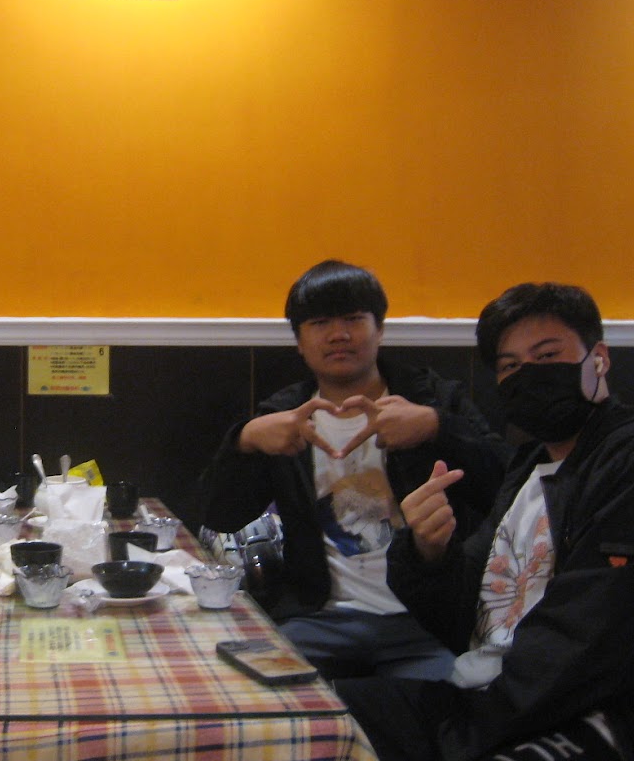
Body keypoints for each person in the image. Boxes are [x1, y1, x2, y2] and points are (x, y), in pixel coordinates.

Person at [336, 282, 634, 761]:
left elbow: (584, 646)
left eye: (547, 356)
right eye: (510, 366)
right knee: (309, 719)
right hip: (489, 701)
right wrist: (427, 554)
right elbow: (473, 624)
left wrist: (459, 751)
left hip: (620, 727)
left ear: (599, 358)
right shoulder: (530, 467)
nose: (528, 375)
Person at [199, 260, 510, 680]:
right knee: (253, 693)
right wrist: (245, 440)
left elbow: (505, 489)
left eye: (353, 319)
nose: (338, 334)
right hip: (316, 619)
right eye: (320, 323)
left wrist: (437, 427)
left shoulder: (431, 399)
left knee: (447, 703)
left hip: (423, 622)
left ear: (379, 329)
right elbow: (218, 515)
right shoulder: (285, 415)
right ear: (299, 341)